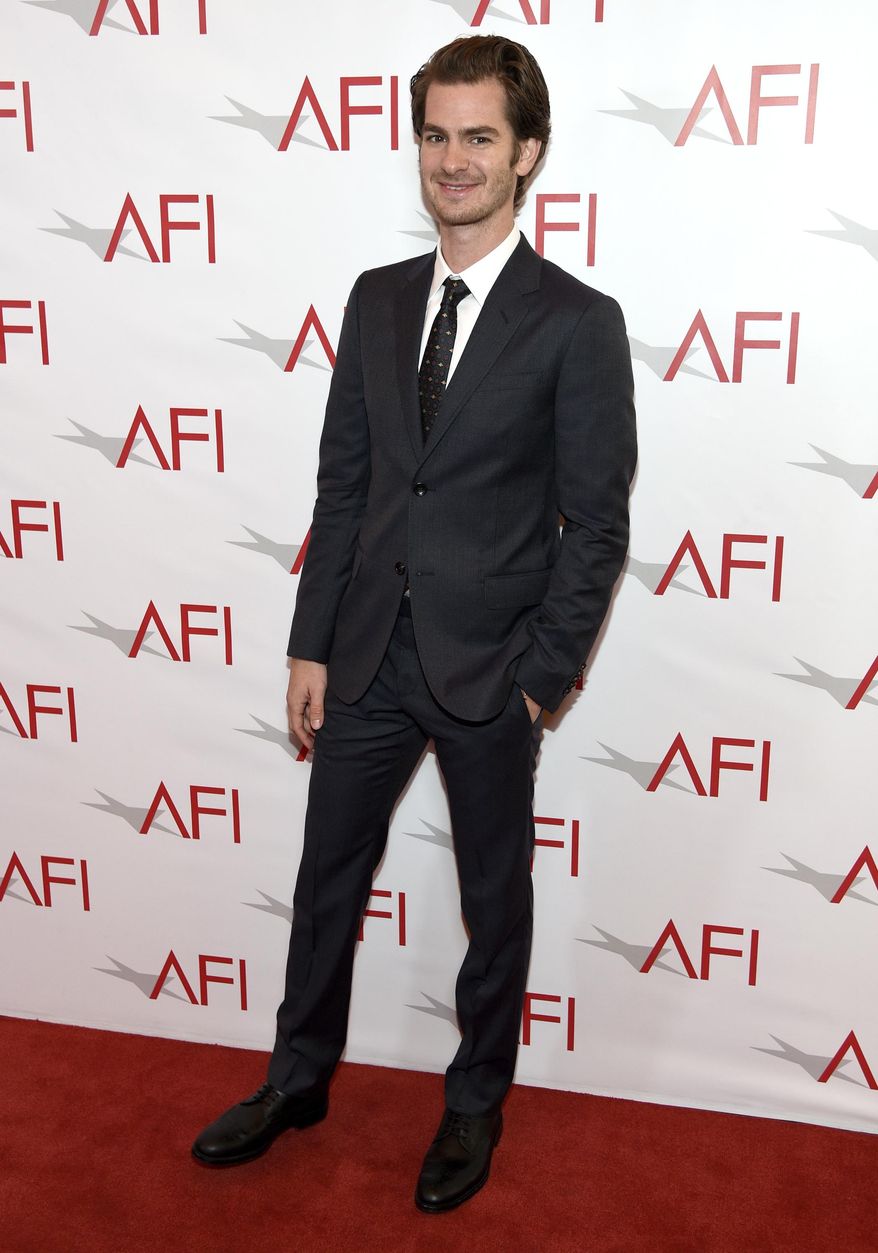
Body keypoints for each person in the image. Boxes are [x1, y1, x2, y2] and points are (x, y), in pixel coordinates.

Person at [193, 34, 636, 1213]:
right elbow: (345, 485)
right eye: (435, 135)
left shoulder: (576, 321)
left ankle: (475, 1099)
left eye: (478, 137)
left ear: (525, 153)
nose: (452, 159)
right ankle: (295, 1079)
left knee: (493, 899)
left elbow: (594, 524)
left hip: (492, 669)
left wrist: (540, 677)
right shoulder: (376, 299)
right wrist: (309, 640)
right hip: (365, 656)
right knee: (324, 880)